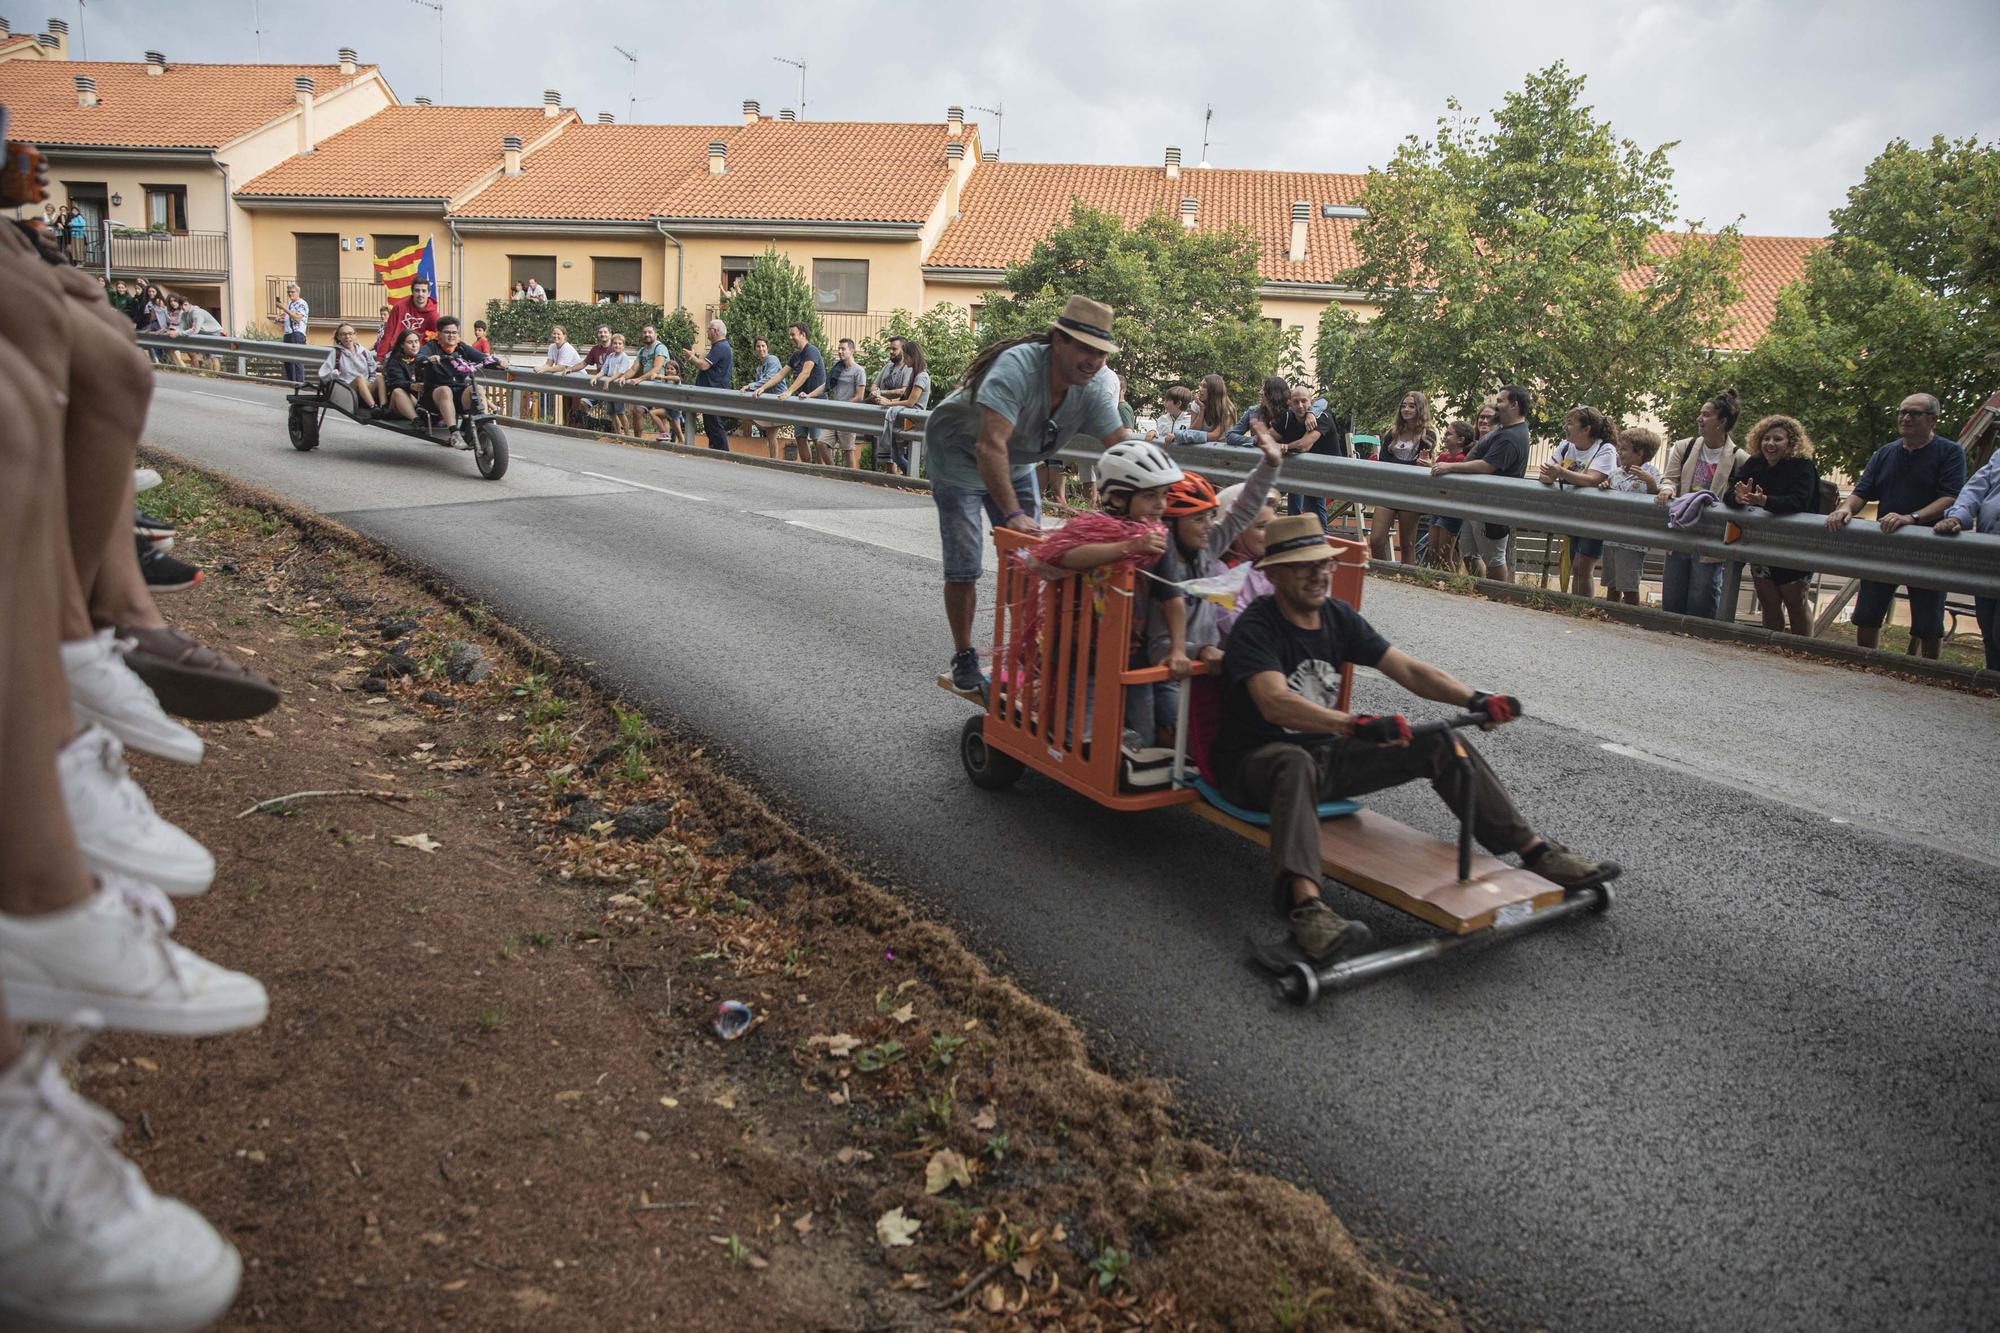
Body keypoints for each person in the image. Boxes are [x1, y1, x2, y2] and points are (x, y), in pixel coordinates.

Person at [1214, 512, 1616, 961]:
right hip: (1254, 766)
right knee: (1295, 762)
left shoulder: (1336, 616)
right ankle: (1307, 909)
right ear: (1277, 574)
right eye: (1306, 566)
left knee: (1441, 741)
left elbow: (1405, 668)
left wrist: (1475, 699)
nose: (1320, 574)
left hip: (1324, 757)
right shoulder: (1257, 625)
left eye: (1325, 563)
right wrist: (1353, 724)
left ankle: (1537, 852)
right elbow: (1274, 702)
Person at [924, 294, 1135, 691]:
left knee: (1029, 561)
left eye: (1102, 354)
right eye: (1086, 349)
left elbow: (1124, 446)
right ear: (1059, 341)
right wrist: (1013, 513)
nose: (1094, 361)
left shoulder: (1088, 389)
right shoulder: (1017, 367)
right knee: (966, 561)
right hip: (958, 452)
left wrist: (1170, 494)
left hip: (1014, 460)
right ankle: (965, 652)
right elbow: (990, 446)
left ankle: (1023, 649)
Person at [1139, 421, 1286, 744]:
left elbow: (1243, 510)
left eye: (1209, 516)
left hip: (1211, 670)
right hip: (1170, 676)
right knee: (1187, 737)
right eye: (1197, 519)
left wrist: (1270, 463)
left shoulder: (1205, 551)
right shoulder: (1157, 567)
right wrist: (1203, 649)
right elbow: (1158, 646)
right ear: (1172, 525)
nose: (1209, 526)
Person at [1825, 392, 1966, 658]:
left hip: (1928, 544)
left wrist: (1912, 518)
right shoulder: (1886, 452)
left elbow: (1950, 495)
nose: (1906, 418)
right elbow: (1862, 491)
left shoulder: (1950, 452)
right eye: (1902, 412)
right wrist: (1844, 509)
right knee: (1868, 612)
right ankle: (1868, 665)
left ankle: (1930, 674)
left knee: (1928, 621)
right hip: (1886, 541)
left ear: (1933, 419)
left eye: (1914, 413)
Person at [1724, 415, 1820, 635]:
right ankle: (1772, 648)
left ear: (1791, 443)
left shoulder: (1802, 466)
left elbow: (1799, 501)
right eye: (1766, 438)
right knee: (1768, 600)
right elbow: (1731, 492)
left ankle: (1801, 651)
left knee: (1795, 601)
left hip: (1795, 543)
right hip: (1761, 542)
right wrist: (1738, 498)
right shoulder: (1755, 463)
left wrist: (1765, 501)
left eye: (1778, 439)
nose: (1770, 444)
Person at [1655, 390, 1747, 618]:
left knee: (1702, 598)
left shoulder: (1739, 458)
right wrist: (1667, 489)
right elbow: (1670, 478)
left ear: (1722, 421)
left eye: (1706, 415)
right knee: (1672, 598)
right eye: (1700, 414)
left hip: (1711, 537)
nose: (1700, 419)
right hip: (1680, 530)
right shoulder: (1684, 447)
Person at [1434, 385, 1532, 582]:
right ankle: (1480, 593)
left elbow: (1487, 466)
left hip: (1493, 507)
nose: (1497, 406)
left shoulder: (1512, 437)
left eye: (1501, 401)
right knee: (1469, 554)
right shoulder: (1504, 430)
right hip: (1476, 503)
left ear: (1514, 405)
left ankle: (1498, 596)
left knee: (1494, 559)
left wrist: (1450, 467)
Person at [1538, 404, 1618, 596]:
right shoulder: (1566, 446)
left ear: (1586, 429)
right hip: (1572, 514)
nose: (1566, 427)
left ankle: (1583, 607)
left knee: (1583, 566)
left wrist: (1560, 472)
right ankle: (1574, 603)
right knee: (1574, 564)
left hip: (1595, 516)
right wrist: (1550, 476)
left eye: (1571, 423)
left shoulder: (1605, 449)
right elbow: (1546, 473)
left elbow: (1593, 478)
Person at [1935, 448, 2000, 671]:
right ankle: (1993, 690)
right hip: (1989, 555)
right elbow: (1975, 488)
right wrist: (1957, 516)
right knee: (1990, 630)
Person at [1597, 426, 1662, 606]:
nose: (1619, 452)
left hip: (1632, 540)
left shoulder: (1652, 474)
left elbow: (1657, 498)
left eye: (1624, 449)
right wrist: (1605, 487)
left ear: (1639, 453)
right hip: (1612, 536)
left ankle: (1632, 617)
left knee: (1629, 584)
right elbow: (1610, 492)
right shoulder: (1616, 473)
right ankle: (1611, 613)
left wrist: (1650, 484)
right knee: (1612, 582)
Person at [1371, 391, 1437, 563]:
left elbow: (1422, 464)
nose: (1406, 409)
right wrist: (1411, 465)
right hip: (1389, 490)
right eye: (1404, 405)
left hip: (1412, 492)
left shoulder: (1428, 434)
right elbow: (1384, 462)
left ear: (1420, 409)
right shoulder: (1391, 434)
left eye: (1412, 406)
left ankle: (1408, 579)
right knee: (1376, 540)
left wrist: (1417, 465)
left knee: (1407, 544)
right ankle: (1384, 573)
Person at [416, 315, 502, 437]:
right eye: (447, 332)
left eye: (454, 332)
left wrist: (499, 362)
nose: (451, 336)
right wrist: (428, 359)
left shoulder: (461, 347)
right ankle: (454, 434)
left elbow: (482, 357)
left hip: (458, 393)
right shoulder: (431, 346)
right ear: (439, 333)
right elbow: (419, 357)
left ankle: (483, 426)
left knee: (477, 389)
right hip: (435, 396)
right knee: (445, 391)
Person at [1276, 384, 1343, 525]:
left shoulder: (1323, 417)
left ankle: (1317, 539)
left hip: (1328, 473)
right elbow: (1267, 437)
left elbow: (1303, 446)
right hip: (1306, 471)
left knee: (1315, 514)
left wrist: (1283, 447)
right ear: (1290, 404)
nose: (1300, 405)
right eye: (1296, 402)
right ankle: (1293, 531)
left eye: (1304, 401)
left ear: (1311, 402)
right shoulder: (1289, 417)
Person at [760, 323, 826, 463]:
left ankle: (821, 471)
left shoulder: (811, 350)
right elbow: (781, 374)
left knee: (818, 440)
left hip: (816, 402)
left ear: (803, 335)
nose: (790, 338)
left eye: (793, 334)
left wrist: (789, 391)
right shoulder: (796, 355)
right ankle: (807, 468)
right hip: (801, 403)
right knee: (800, 437)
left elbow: (805, 373)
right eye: (789, 335)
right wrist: (763, 388)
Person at [1426, 419, 1475, 571]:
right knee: (1433, 551)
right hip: (1438, 506)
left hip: (1452, 509)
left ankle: (1450, 584)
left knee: (1445, 553)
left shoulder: (1464, 460)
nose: (1445, 436)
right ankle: (1433, 581)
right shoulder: (1443, 457)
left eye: (1449, 434)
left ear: (1461, 440)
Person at [876, 338, 931, 475]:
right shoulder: (915, 374)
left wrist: (889, 403)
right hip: (908, 418)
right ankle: (911, 476)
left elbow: (911, 402)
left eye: (906, 357)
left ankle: (914, 477)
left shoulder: (921, 377)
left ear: (913, 357)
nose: (904, 360)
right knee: (895, 454)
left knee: (899, 455)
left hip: (913, 420)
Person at [684, 318, 733, 450]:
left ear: (716, 331)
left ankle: (723, 452)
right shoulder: (719, 347)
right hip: (712, 391)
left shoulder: (721, 347)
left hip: (714, 392)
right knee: (710, 424)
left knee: (714, 424)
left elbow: (704, 365)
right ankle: (716, 450)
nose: (707, 332)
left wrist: (690, 357)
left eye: (709, 329)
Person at [316, 321, 380, 416]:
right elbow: (323, 376)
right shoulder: (336, 353)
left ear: (355, 335)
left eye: (350, 333)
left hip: (365, 389)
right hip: (346, 391)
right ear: (338, 337)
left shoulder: (365, 352)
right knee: (359, 378)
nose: (347, 337)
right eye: (343, 334)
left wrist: (371, 382)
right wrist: (333, 374)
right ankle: (373, 407)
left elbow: (372, 373)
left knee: (380, 379)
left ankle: (383, 407)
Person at [372, 277, 439, 362]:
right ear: (412, 292)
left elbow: (437, 338)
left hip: (420, 355)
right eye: (417, 290)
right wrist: (380, 358)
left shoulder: (433, 314)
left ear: (429, 293)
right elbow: (388, 333)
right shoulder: (399, 307)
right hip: (397, 352)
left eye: (424, 291)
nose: (420, 294)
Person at [824, 337, 867, 468]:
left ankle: (853, 478)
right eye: (839, 349)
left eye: (843, 349)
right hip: (834, 413)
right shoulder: (837, 369)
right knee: (821, 443)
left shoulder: (859, 371)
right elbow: (826, 386)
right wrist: (809, 395)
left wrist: (843, 406)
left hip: (848, 415)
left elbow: (859, 397)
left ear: (852, 351)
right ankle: (834, 472)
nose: (840, 352)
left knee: (848, 450)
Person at [626, 323, 674, 441]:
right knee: (637, 410)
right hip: (647, 388)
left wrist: (640, 379)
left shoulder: (660, 348)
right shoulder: (642, 351)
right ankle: (638, 440)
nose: (647, 334)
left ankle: (666, 442)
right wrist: (623, 377)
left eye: (649, 332)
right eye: (645, 332)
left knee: (661, 415)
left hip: (660, 387)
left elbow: (656, 369)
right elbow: (633, 369)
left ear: (655, 334)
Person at [584, 331, 633, 433]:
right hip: (609, 388)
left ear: (623, 346)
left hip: (618, 388)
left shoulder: (624, 357)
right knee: (612, 412)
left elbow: (620, 372)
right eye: (615, 343)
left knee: (620, 412)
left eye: (620, 344)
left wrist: (608, 380)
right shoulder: (610, 356)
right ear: (612, 344)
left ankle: (627, 434)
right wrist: (595, 377)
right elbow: (604, 370)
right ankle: (618, 433)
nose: (617, 345)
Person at [536, 323, 583, 425]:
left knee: (575, 406)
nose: (556, 336)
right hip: (566, 380)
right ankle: (567, 426)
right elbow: (549, 363)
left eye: (558, 334)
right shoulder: (552, 347)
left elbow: (561, 367)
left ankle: (575, 428)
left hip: (578, 380)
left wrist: (545, 370)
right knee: (566, 404)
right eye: (554, 334)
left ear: (564, 336)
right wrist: (540, 368)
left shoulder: (567, 348)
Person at [382, 329, 426, 421]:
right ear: (402, 345)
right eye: (410, 342)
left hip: (418, 401)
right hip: (398, 401)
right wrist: (411, 386)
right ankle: (417, 420)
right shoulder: (395, 361)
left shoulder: (424, 359)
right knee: (397, 391)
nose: (414, 345)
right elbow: (395, 382)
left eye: (416, 342)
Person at [276, 280, 309, 385]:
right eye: (289, 292)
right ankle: (291, 383)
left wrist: (284, 309)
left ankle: (299, 383)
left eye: (292, 292)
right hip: (288, 334)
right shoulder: (290, 304)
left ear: (298, 292)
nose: (290, 294)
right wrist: (280, 318)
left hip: (297, 334)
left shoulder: (302, 303)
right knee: (288, 360)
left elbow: (297, 318)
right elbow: (289, 317)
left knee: (297, 360)